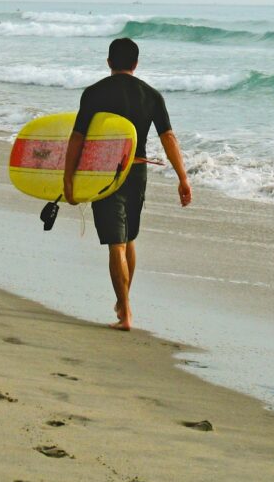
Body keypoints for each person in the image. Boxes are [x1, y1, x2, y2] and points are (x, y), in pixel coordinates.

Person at [62, 38, 191, 331]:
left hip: (105, 174)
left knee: (116, 245)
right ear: (136, 64)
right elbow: (168, 138)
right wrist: (183, 178)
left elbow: (78, 138)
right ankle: (124, 303)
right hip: (137, 173)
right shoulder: (152, 95)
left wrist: (68, 177)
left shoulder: (93, 93)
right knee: (129, 239)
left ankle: (126, 312)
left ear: (109, 62)